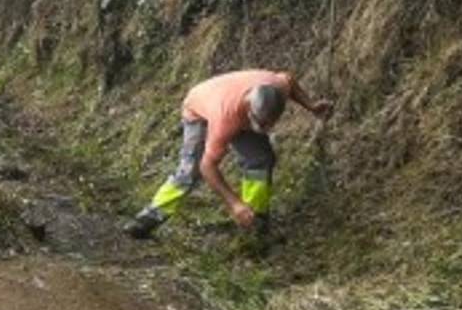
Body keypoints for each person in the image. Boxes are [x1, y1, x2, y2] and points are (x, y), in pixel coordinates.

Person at [125, 69, 333, 239]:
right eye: (260, 124)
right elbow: (208, 166)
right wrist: (233, 203)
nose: (266, 129)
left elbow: (288, 78)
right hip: (199, 108)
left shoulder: (277, 87)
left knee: (261, 160)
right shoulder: (225, 119)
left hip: (230, 100)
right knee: (190, 172)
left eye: (270, 125)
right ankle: (149, 218)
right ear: (249, 110)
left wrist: (312, 106)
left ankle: (255, 221)